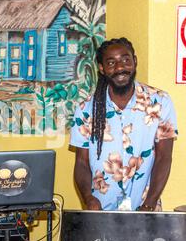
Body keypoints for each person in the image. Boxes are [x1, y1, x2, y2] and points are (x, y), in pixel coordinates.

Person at [70, 37, 178, 211]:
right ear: (102, 68)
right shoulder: (86, 109)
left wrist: (149, 203)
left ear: (134, 62)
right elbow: (81, 163)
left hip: (145, 207)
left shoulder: (159, 102)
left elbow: (164, 157)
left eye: (125, 60)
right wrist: (88, 199)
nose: (120, 67)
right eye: (111, 62)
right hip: (101, 211)